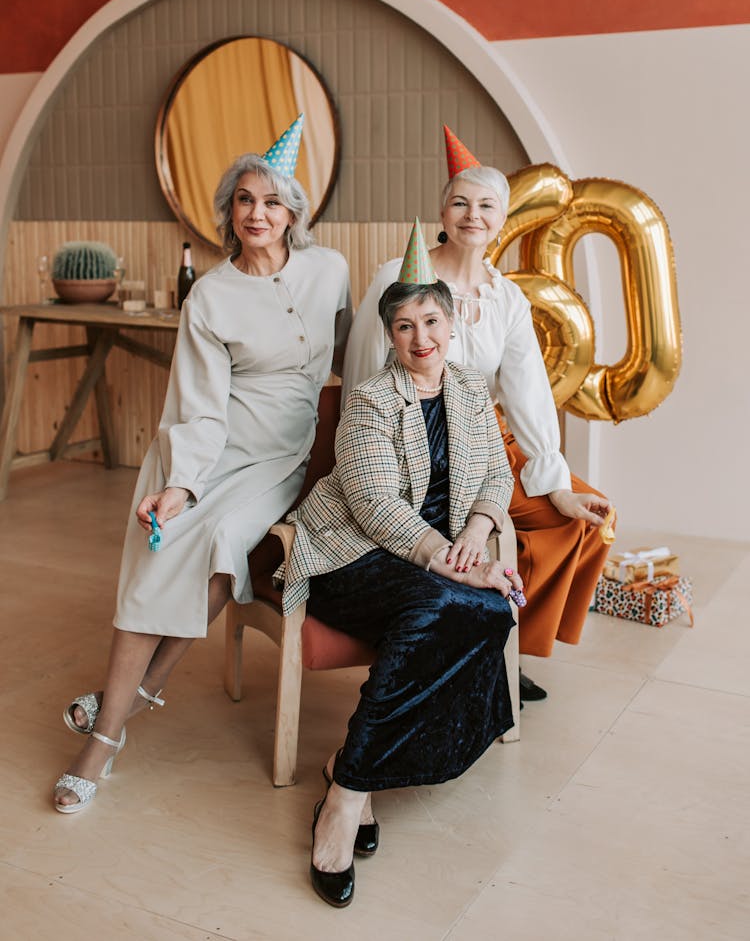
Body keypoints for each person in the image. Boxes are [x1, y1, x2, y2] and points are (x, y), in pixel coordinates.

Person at [53, 115, 352, 812]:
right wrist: (182, 483)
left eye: (272, 201)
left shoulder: (330, 269)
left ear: (294, 213)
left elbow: (351, 351)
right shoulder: (211, 295)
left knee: (226, 543)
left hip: (279, 453)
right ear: (229, 212)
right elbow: (199, 403)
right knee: (156, 555)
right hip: (212, 441)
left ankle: (115, 716)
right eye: (245, 200)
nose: (258, 213)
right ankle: (106, 733)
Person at [278, 223, 523, 908]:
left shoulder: (473, 391)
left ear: (452, 322)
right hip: (352, 557)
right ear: (390, 334)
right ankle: (347, 800)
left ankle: (346, 769)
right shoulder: (369, 401)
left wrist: (477, 533)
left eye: (432, 321)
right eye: (406, 325)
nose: (422, 338)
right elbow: (378, 507)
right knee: (448, 602)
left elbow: (496, 479)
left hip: (436, 561)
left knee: (484, 608)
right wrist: (459, 565)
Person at [342, 126, 612, 696]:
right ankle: (478, 646)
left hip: (483, 441)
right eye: (461, 202)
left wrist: (552, 476)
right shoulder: (399, 275)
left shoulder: (506, 297)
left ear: (503, 217)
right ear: (443, 210)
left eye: (487, 205)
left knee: (575, 522)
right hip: (402, 442)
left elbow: (528, 390)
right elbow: (363, 374)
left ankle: (504, 648)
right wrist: (362, 463)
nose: (473, 215)